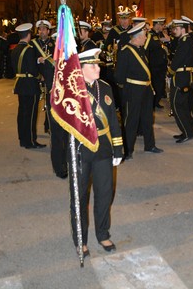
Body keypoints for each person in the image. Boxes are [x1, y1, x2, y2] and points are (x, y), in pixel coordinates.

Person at [68, 47, 124, 255]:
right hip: (80, 149)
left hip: (103, 148)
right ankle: (80, 239)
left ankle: (103, 234)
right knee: (80, 197)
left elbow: (113, 121)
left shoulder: (106, 88)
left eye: (97, 64)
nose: (97, 68)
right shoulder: (71, 91)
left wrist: (117, 148)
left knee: (104, 193)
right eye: (93, 65)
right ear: (81, 69)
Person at [114, 21, 163, 160]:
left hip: (146, 89)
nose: (146, 38)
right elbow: (119, 76)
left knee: (148, 118)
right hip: (133, 90)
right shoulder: (126, 51)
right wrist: (128, 89)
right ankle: (128, 150)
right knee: (131, 120)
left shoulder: (140, 49)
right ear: (137, 37)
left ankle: (150, 145)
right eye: (144, 36)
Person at [31, 19, 68, 176]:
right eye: (40, 29)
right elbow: (30, 62)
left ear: (49, 30)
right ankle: (50, 125)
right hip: (45, 79)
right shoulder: (34, 45)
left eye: (45, 29)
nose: (42, 32)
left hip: (57, 80)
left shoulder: (54, 44)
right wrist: (37, 61)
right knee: (49, 105)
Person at [11, 22, 46, 149]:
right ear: (29, 35)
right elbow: (32, 69)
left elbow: (24, 64)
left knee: (22, 113)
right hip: (30, 85)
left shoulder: (15, 49)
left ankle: (23, 138)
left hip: (20, 84)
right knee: (31, 114)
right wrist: (40, 76)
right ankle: (31, 141)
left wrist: (36, 60)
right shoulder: (29, 49)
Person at [168, 19, 193, 143]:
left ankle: (188, 132)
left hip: (181, 77)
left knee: (177, 105)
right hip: (184, 76)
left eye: (176, 29)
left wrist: (170, 72)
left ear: (183, 29)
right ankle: (187, 131)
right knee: (182, 105)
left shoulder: (185, 40)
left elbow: (178, 60)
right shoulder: (184, 40)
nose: (174, 31)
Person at [145, 18, 169, 109]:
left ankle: (157, 101)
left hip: (161, 64)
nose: (163, 27)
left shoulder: (158, 34)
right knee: (156, 84)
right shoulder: (150, 35)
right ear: (157, 25)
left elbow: (167, 39)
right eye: (161, 25)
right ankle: (153, 102)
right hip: (154, 64)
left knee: (160, 84)